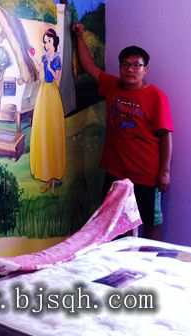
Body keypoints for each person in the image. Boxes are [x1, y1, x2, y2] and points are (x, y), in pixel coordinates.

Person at [72, 23, 173, 240]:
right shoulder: (112, 86)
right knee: (112, 222)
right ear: (120, 68)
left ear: (145, 69)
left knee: (150, 222)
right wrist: (79, 36)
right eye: (125, 65)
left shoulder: (156, 96)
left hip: (146, 175)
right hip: (115, 173)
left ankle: (150, 259)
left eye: (136, 65)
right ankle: (118, 258)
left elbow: (166, 136)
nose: (130, 69)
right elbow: (89, 66)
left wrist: (164, 172)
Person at [29, 28, 66, 194]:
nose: (46, 44)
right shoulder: (44, 57)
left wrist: (50, 66)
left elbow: (56, 77)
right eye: (45, 42)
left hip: (52, 92)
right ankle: (45, 177)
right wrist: (33, 57)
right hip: (44, 91)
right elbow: (39, 70)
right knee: (43, 130)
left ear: (54, 42)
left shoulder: (57, 58)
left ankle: (53, 180)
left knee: (53, 132)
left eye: (49, 41)